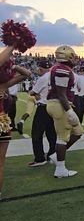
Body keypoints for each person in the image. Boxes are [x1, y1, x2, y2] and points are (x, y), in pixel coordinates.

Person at [46, 45, 83, 178]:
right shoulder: (62, 69)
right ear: (68, 56)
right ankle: (60, 169)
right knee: (62, 137)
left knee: (78, 132)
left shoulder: (61, 68)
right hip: (60, 104)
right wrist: (69, 111)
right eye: (73, 56)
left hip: (60, 103)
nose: (75, 59)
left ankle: (56, 156)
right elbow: (61, 94)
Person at [0, 62, 32, 198]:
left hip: (3, 122)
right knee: (0, 161)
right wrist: (12, 66)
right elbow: (27, 74)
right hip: (1, 122)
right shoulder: (3, 86)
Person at [27, 60, 57, 167]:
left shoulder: (43, 78)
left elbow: (32, 92)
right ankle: (52, 155)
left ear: (41, 69)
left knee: (36, 133)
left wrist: (35, 94)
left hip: (43, 107)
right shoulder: (54, 76)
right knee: (52, 133)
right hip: (53, 107)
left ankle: (39, 158)